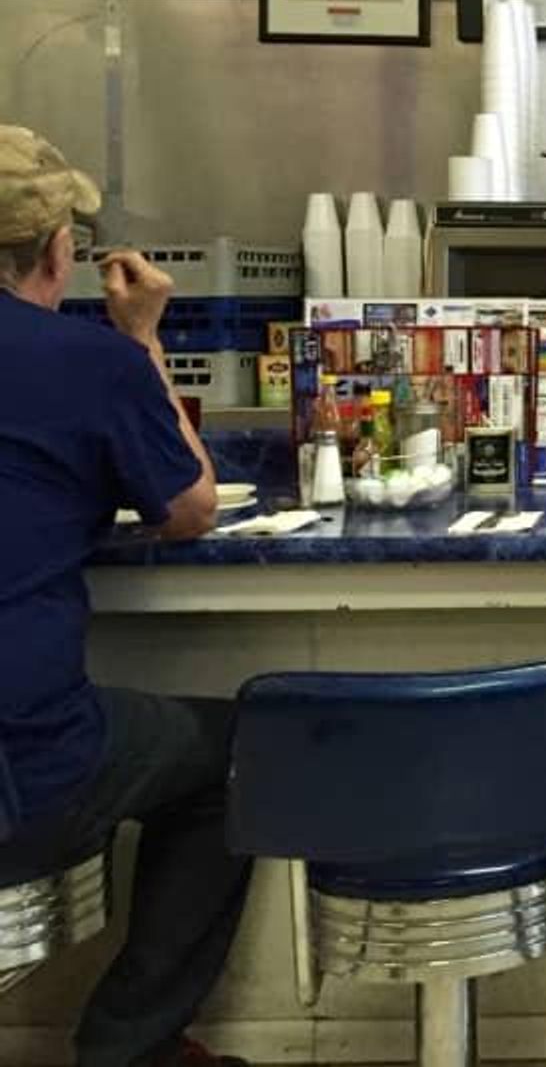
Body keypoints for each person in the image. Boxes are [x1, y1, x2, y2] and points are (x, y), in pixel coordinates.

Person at [0, 126, 243, 1067]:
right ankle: (129, 1047)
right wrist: (138, 340)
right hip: (24, 770)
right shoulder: (81, 360)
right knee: (236, 754)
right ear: (59, 252)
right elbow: (188, 506)